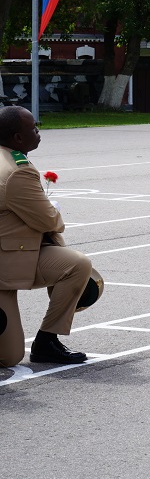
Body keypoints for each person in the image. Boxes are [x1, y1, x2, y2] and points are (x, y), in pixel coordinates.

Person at [1, 106, 99, 366]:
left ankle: (47, 342)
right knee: (7, 356)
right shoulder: (18, 170)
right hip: (4, 267)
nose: (38, 131)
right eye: (33, 127)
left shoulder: (8, 158)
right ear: (17, 138)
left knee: (73, 263)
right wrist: (53, 212)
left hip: (10, 254)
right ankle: (46, 341)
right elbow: (49, 220)